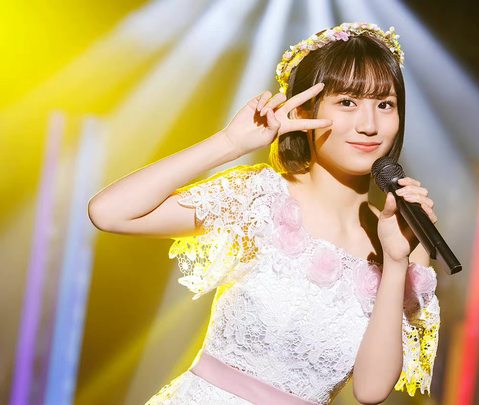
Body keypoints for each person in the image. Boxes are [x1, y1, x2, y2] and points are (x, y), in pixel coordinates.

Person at [88, 22, 440, 405]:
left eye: (385, 105)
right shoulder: (261, 198)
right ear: (304, 109)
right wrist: (229, 143)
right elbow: (109, 213)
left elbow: (371, 391)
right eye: (347, 102)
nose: (369, 125)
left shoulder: (404, 241)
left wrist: (395, 261)